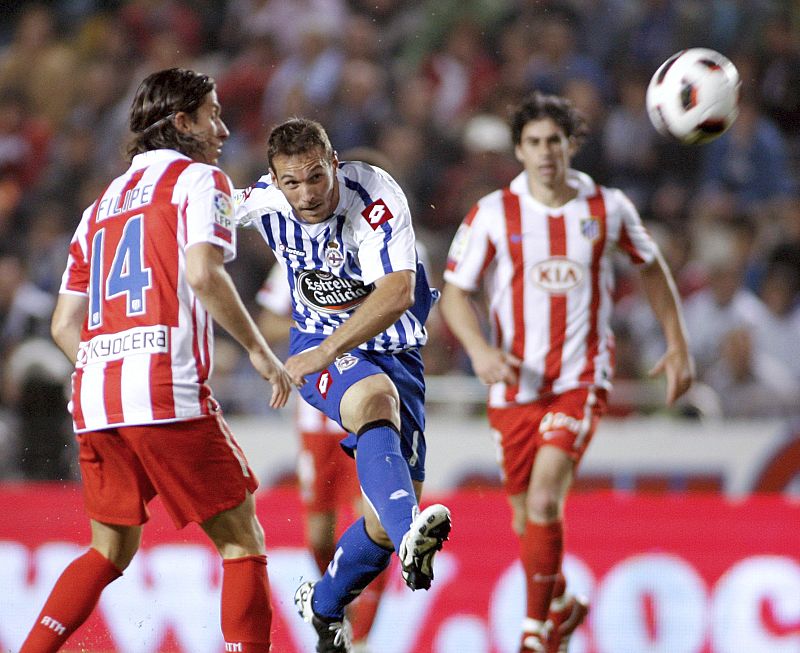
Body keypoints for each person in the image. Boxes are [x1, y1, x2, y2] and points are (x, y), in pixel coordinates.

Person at [19, 67, 292, 653]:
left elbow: (64, 325)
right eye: (212, 114)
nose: (222, 128)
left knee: (109, 548)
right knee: (243, 540)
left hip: (97, 399)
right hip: (166, 391)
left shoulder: (98, 207)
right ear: (182, 122)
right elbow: (201, 272)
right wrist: (260, 352)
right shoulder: (200, 181)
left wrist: (109, 358)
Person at [438, 91, 694, 653]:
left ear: (571, 145)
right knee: (524, 517)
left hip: (581, 377)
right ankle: (561, 603)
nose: (546, 151)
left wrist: (677, 345)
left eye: (555, 140)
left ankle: (535, 631)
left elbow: (652, 270)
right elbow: (454, 295)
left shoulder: (608, 207)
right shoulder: (492, 213)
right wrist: (480, 351)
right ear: (519, 150)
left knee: (545, 500)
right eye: (534, 142)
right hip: (513, 383)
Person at [235, 117, 451, 653]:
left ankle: (327, 602)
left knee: (377, 524)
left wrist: (325, 351)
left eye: (315, 177)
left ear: (334, 163)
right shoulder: (259, 203)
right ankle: (410, 538)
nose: (307, 194)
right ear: (273, 179)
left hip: (394, 352)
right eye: (292, 182)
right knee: (374, 401)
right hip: (325, 353)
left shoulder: (376, 197)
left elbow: (399, 292)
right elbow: (182, 222)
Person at [255, 262, 387, 653]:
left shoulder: (380, 248)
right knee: (318, 535)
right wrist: (320, 331)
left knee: (376, 526)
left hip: (371, 407)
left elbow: (406, 312)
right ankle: (337, 610)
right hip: (317, 417)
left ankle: (362, 639)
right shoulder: (293, 255)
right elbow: (269, 324)